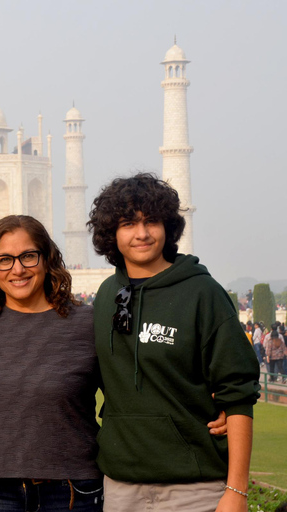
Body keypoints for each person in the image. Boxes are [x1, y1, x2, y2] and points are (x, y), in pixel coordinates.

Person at [87, 172, 260, 512]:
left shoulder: (202, 292)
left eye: (151, 221)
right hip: (121, 486)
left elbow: (238, 392)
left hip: (194, 488)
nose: (142, 233)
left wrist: (236, 491)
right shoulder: (107, 296)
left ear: (168, 226)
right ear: (112, 233)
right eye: (127, 223)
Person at [0, 215, 103, 511]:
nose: (18, 269)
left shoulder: (85, 325)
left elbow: (133, 392)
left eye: (28, 256)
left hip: (71, 491)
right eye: (4, 259)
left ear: (46, 259)